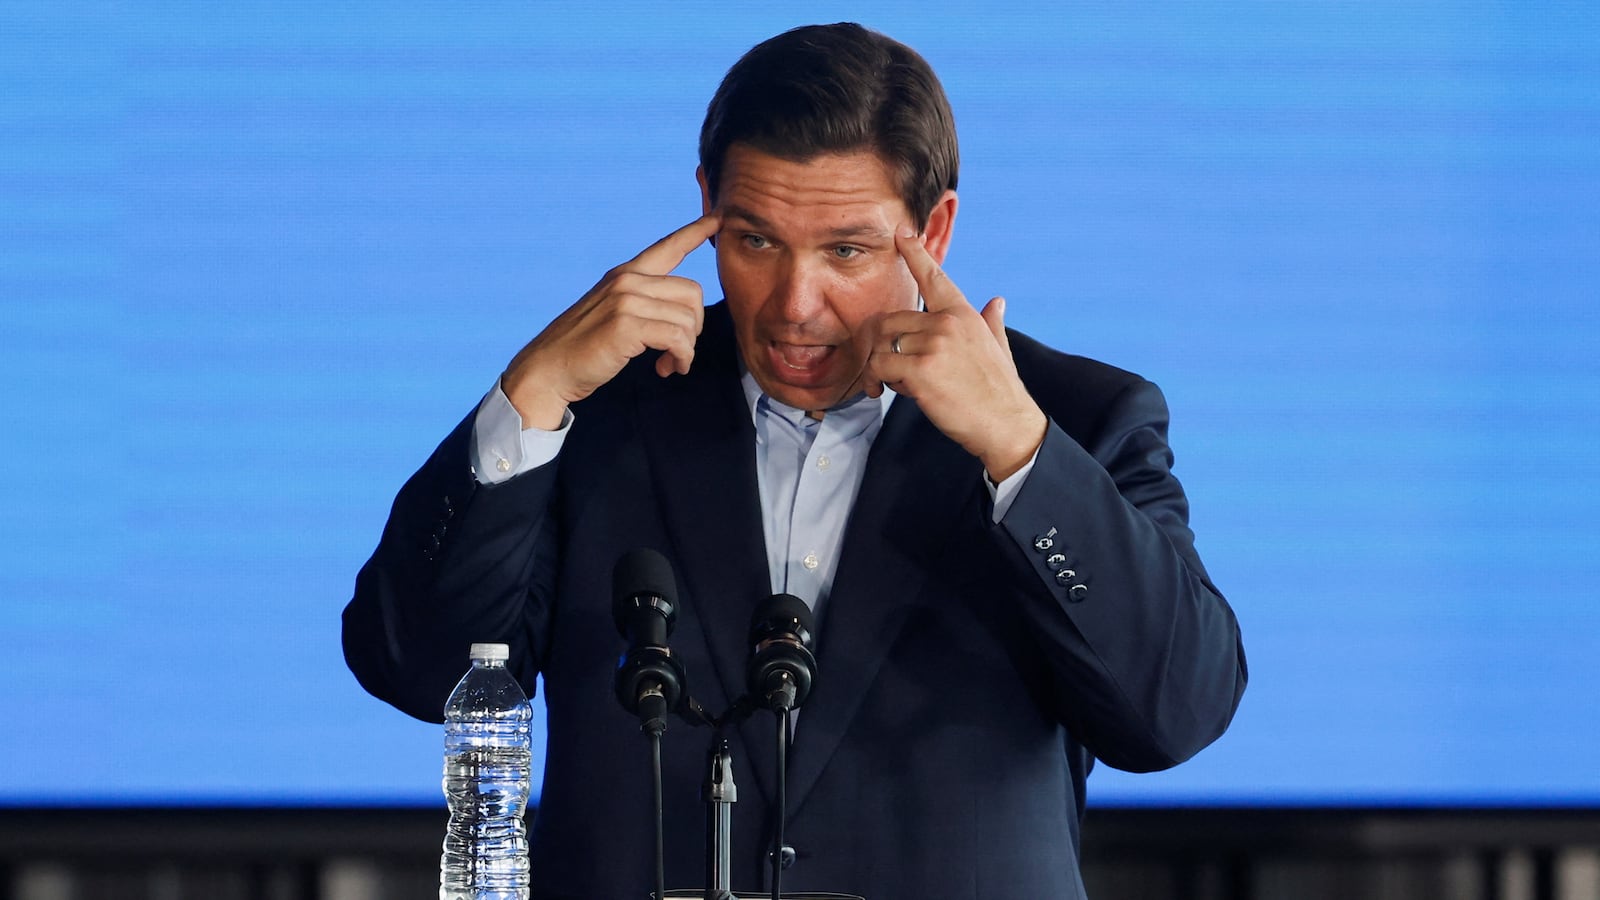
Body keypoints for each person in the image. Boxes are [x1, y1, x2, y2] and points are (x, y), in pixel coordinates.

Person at [343, 22, 1246, 900]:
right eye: (755, 242)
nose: (792, 304)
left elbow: (1174, 715)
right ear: (706, 206)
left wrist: (1022, 452)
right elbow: (419, 671)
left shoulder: (1078, 419)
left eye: (845, 250)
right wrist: (529, 397)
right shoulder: (601, 412)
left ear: (933, 233)